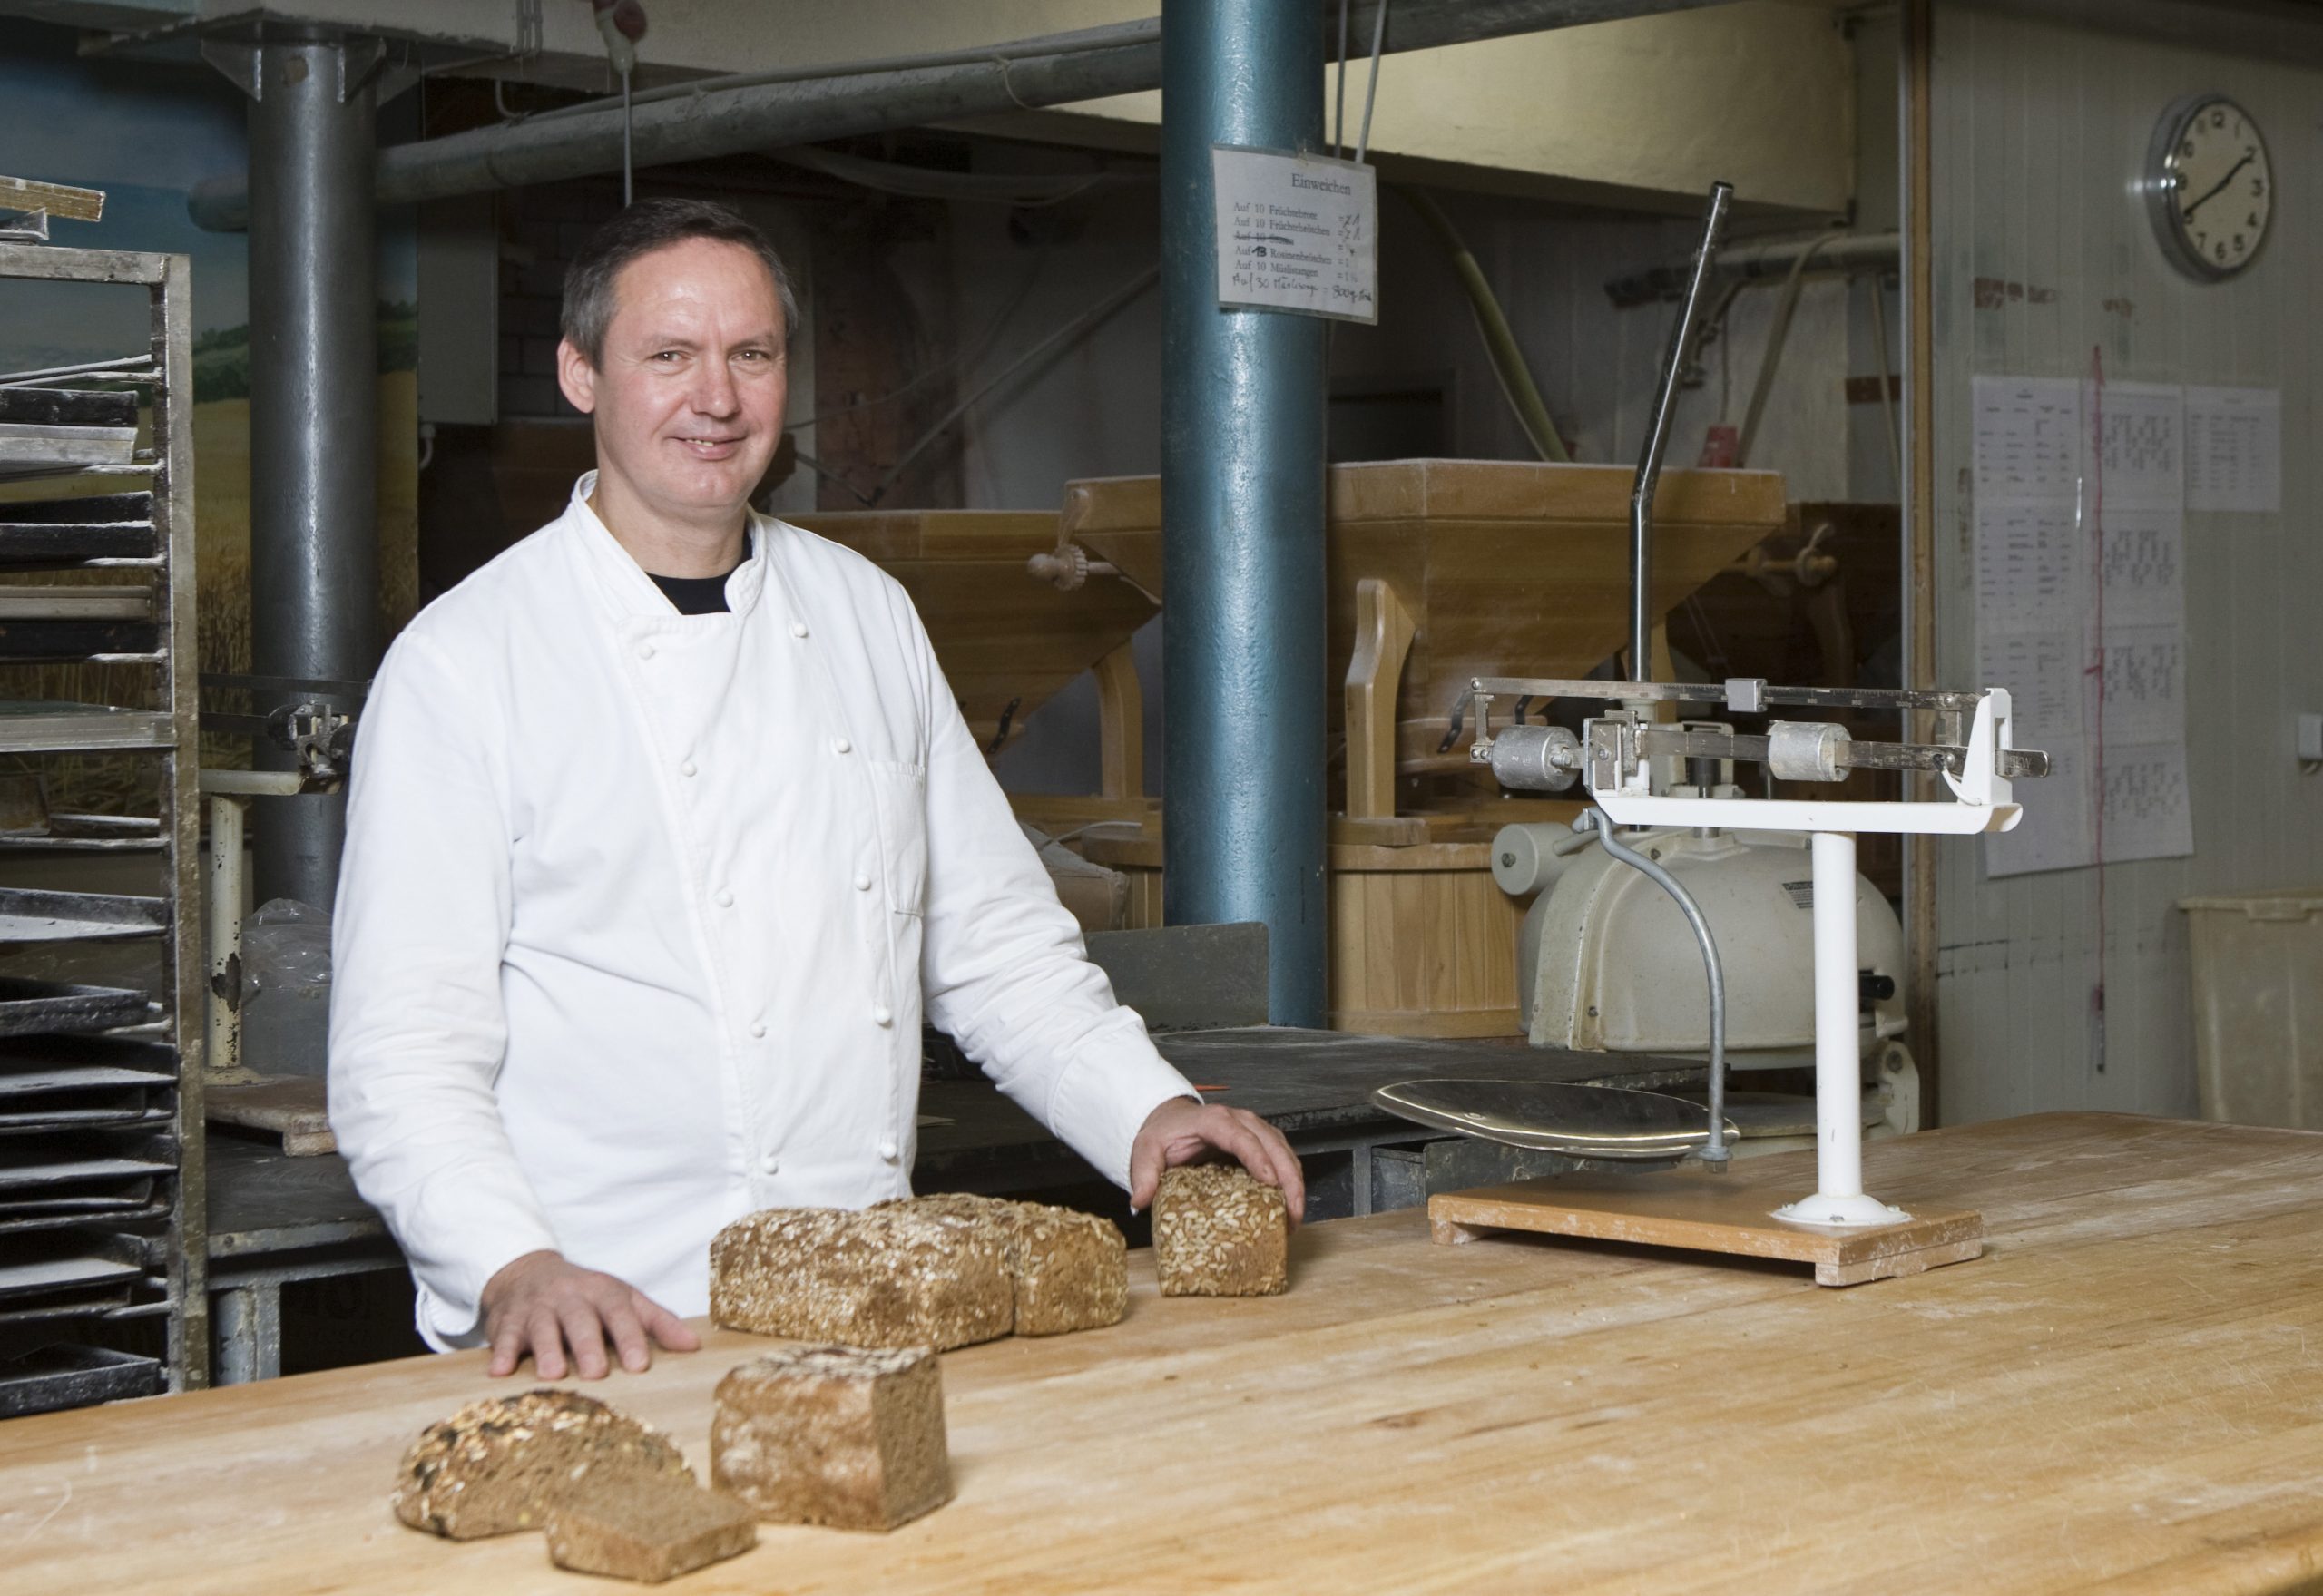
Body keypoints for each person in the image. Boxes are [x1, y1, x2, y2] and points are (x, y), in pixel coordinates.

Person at [328, 199, 1303, 1381]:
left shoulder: (864, 614)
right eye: (670, 356)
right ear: (581, 372)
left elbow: (993, 945)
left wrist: (1147, 1109)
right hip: (601, 1323)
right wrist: (511, 1265)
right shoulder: (466, 662)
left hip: (862, 1301)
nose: (718, 398)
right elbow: (403, 1051)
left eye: (752, 355)